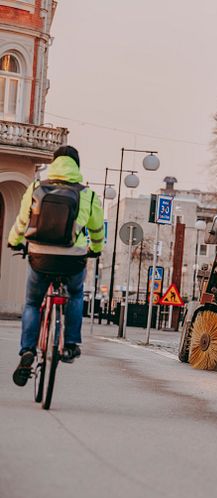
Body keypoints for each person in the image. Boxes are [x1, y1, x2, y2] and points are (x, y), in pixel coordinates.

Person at [6, 146, 104, 387]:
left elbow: (22, 221)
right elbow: (96, 229)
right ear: (76, 166)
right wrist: (96, 249)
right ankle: (70, 344)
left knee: (31, 302)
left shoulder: (36, 188)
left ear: (54, 162)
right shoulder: (87, 194)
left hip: (40, 255)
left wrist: (14, 242)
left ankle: (27, 350)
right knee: (75, 294)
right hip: (72, 258)